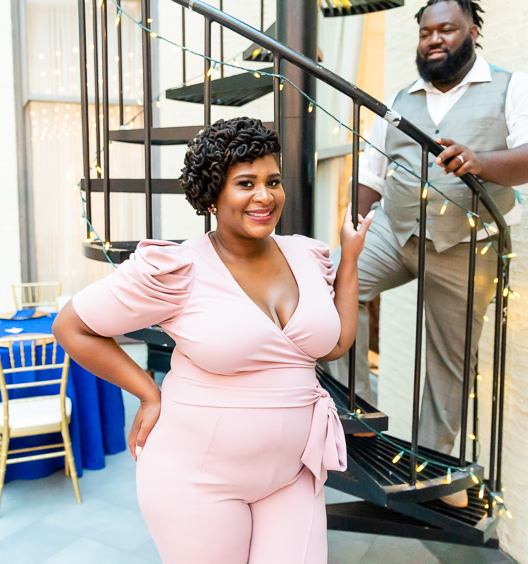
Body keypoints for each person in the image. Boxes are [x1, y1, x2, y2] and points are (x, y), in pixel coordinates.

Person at [53, 117, 374, 564]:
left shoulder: (305, 253)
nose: (265, 196)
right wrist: (147, 393)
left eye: (273, 181)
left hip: (294, 474)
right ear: (212, 195)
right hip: (197, 480)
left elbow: (335, 345)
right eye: (246, 183)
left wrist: (351, 259)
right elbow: (72, 327)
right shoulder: (178, 269)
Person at [329, 0, 528, 507]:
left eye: (447, 30)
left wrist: (482, 162)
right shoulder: (400, 99)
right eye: (426, 32)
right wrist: (356, 230)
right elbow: (370, 172)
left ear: (472, 32)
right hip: (394, 231)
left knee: (448, 363)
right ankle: (356, 411)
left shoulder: (512, 87)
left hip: (467, 243)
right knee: (331, 291)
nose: (434, 40)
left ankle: (431, 467)